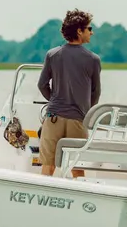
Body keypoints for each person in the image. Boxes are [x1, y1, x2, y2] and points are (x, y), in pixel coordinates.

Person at [37, 9, 102, 177]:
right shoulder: (93, 59)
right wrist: (84, 110)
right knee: (77, 167)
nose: (92, 32)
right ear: (79, 31)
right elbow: (96, 92)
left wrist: (54, 100)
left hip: (53, 118)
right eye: (89, 28)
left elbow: (42, 84)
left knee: (48, 166)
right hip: (78, 120)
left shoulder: (52, 55)